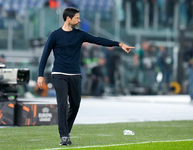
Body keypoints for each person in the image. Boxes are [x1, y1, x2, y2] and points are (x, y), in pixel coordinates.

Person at [37, 7, 134, 146]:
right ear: (68, 18)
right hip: (59, 74)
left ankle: (66, 130)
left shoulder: (80, 34)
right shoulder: (55, 35)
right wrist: (40, 75)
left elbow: (99, 40)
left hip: (75, 74)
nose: (79, 20)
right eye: (77, 17)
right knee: (63, 104)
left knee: (75, 105)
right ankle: (64, 135)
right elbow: (45, 55)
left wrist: (119, 44)